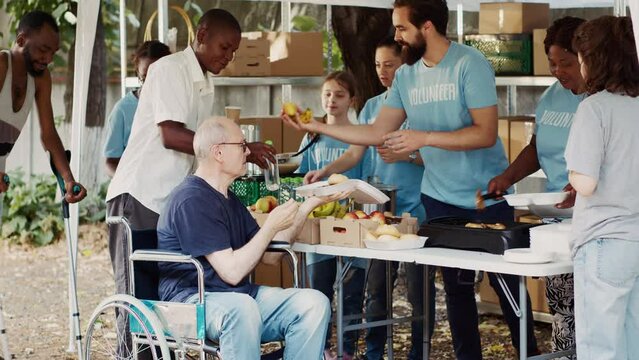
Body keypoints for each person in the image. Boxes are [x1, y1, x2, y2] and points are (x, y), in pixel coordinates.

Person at [282, 0, 540, 358]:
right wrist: (314, 126)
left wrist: (424, 138)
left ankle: (530, 352)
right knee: (456, 290)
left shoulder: (470, 64)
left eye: (402, 28)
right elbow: (376, 132)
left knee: (509, 286)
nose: (397, 36)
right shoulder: (407, 76)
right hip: (438, 198)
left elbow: (485, 133)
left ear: (428, 26)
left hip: (486, 195)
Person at [104, 8, 274, 353]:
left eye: (234, 51)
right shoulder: (169, 69)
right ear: (201, 33)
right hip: (139, 195)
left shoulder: (204, 82)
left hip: (171, 202)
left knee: (166, 302)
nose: (228, 57)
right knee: (137, 297)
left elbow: (202, 149)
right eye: (224, 47)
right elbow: (171, 134)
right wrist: (231, 149)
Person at [158, 116, 346, 359]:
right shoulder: (192, 199)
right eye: (241, 145)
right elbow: (232, 272)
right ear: (218, 152)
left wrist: (311, 203)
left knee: (314, 303)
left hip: (236, 298)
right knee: (242, 308)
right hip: (192, 301)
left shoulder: (228, 198)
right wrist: (270, 227)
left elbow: (270, 256)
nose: (247, 151)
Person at [303, 36, 429, 360]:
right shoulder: (373, 106)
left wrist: (407, 157)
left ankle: (418, 353)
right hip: (377, 213)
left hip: (418, 211)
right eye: (378, 65)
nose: (383, 71)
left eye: (390, 64)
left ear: (406, 65)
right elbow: (355, 152)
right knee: (375, 292)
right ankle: (372, 353)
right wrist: (326, 171)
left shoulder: (423, 106)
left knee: (419, 295)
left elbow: (439, 156)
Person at [487, 16, 586, 356]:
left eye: (567, 63)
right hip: (557, 222)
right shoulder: (550, 96)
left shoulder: (607, 99)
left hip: (595, 223)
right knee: (564, 312)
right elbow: (537, 147)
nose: (558, 71)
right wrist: (507, 178)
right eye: (552, 63)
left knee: (594, 317)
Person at [565, 15, 639, 360]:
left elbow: (586, 182)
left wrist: (572, 171)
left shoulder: (594, 109)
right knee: (632, 342)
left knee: (601, 349)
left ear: (593, 60)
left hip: (604, 240)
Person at [295, 71, 366, 360]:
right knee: (319, 292)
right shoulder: (312, 136)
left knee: (352, 293)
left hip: (352, 224)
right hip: (319, 225)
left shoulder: (361, 135)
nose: (331, 100)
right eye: (327, 94)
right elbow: (302, 175)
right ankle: (321, 349)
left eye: (339, 94)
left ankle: (347, 350)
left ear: (352, 100)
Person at [0, 10, 86, 201]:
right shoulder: (2, 65)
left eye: (52, 53)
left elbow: (48, 133)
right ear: (21, 40)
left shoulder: (41, 78)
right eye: (43, 49)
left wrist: (68, 180)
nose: (48, 59)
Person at [103, 40, 171, 176]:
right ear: (137, 72)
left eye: (157, 76)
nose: (151, 82)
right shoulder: (122, 109)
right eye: (144, 77)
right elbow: (110, 161)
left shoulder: (176, 104)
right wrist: (127, 182)